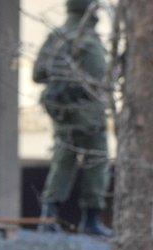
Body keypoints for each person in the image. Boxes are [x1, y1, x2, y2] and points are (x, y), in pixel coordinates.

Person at [33, 0, 111, 236]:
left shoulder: (57, 37)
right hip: (86, 112)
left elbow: (38, 73)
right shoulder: (86, 38)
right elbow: (100, 78)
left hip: (64, 112)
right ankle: (90, 219)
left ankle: (48, 217)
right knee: (97, 161)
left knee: (63, 160)